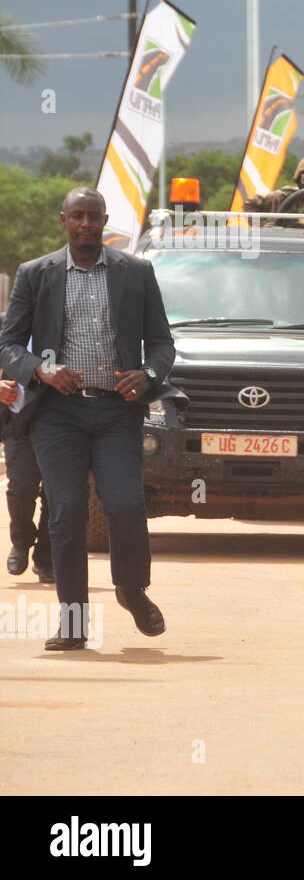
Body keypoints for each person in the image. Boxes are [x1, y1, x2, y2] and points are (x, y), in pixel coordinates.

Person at [0, 186, 176, 650]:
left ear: (105, 221)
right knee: (67, 513)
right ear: (63, 220)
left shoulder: (135, 273)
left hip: (118, 410)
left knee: (124, 504)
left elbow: (162, 343)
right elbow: (8, 344)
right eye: (76, 216)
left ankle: (131, 590)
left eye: (93, 217)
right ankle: (74, 623)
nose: (85, 224)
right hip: (58, 413)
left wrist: (148, 373)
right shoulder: (35, 274)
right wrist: (41, 369)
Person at [2, 369, 53, 582]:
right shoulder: (12, 336)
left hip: (63, 424)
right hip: (20, 421)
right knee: (21, 489)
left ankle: (46, 559)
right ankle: (21, 540)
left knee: (57, 494)